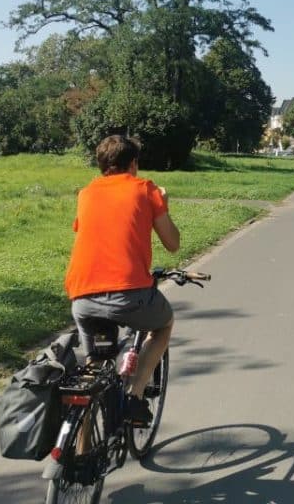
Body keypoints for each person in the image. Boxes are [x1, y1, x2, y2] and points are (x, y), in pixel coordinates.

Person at [64, 134, 181, 425]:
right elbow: (173, 243)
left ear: (101, 165)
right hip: (128, 294)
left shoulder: (86, 193)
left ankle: (81, 446)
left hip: (82, 296)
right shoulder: (146, 189)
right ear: (133, 164)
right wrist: (163, 204)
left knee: (91, 376)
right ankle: (134, 396)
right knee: (164, 324)